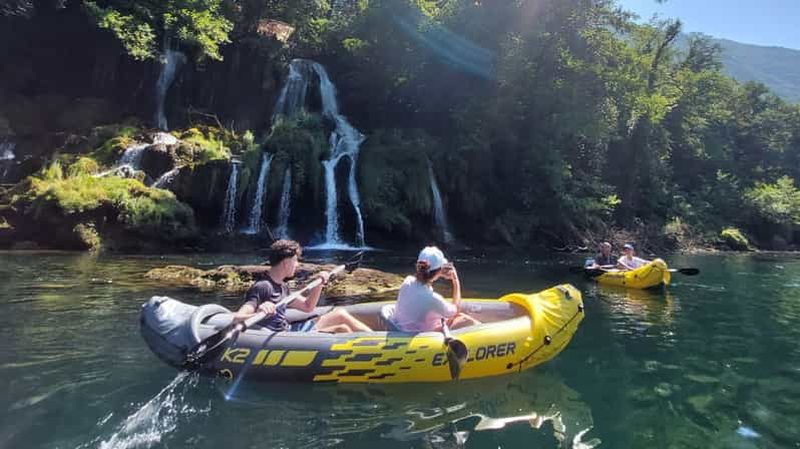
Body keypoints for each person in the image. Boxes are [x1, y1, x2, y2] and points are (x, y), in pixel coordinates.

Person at [232, 239, 372, 333]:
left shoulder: (283, 286)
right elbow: (237, 318)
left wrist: (319, 285)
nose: (297, 265)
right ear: (286, 263)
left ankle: (382, 344)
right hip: (280, 338)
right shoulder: (262, 287)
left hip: (289, 330)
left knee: (340, 315)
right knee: (342, 329)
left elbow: (307, 307)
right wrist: (259, 313)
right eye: (295, 260)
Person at [392, 246, 481, 332]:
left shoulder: (408, 281)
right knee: (465, 320)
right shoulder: (432, 299)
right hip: (422, 337)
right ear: (439, 270)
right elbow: (455, 310)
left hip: (403, 329)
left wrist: (438, 273)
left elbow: (424, 281)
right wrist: (455, 280)